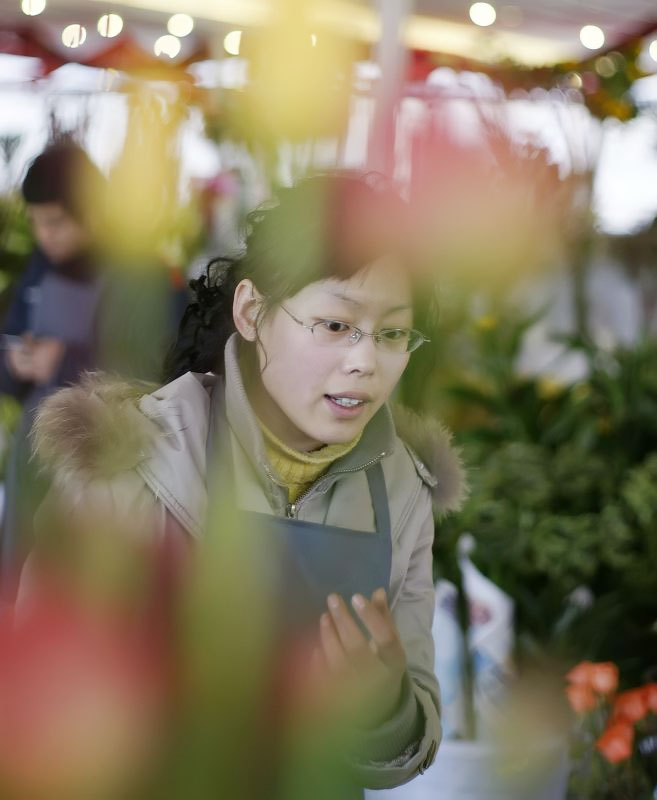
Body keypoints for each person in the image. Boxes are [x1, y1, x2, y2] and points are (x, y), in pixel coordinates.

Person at [25, 173, 466, 795]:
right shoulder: (130, 463)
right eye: (336, 325)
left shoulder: (402, 491)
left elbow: (407, 748)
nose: (365, 361)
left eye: (392, 333)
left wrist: (384, 708)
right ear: (252, 312)